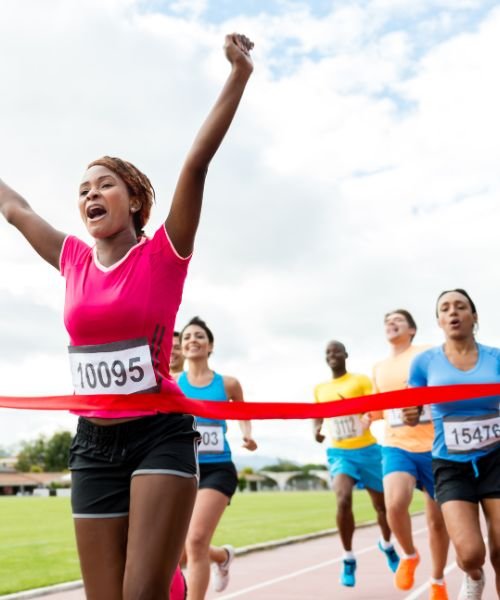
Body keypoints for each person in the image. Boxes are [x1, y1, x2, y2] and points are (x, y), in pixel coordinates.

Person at [0, 33, 254, 599]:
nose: (90, 193)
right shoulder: (71, 258)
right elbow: (16, 210)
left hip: (158, 437)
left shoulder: (163, 254)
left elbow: (196, 164)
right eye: (83, 188)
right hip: (92, 444)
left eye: (104, 184)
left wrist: (238, 74)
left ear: (134, 200)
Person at [405, 289, 500, 600]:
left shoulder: (495, 358)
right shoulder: (424, 363)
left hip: (496, 458)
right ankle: (473, 577)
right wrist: (409, 411)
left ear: (474, 317)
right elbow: (409, 410)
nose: (453, 312)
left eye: (460, 306)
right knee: (472, 554)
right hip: (450, 464)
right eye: (445, 308)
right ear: (439, 321)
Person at [371, 310, 449, 600]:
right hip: (397, 444)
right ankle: (409, 554)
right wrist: (367, 417)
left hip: (435, 447)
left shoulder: (427, 354)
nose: (390, 322)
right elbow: (379, 409)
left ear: (412, 329)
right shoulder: (378, 367)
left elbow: (443, 385)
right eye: (387, 320)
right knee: (394, 503)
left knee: (437, 522)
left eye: (398, 320)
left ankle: (438, 580)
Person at [178, 316, 257, 599]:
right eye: (187, 337)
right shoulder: (175, 384)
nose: (192, 341)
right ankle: (222, 557)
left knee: (196, 540)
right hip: (182, 471)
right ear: (181, 346)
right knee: (179, 549)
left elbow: (243, 413)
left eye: (199, 336)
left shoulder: (228, 384)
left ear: (210, 345)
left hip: (217, 469)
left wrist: (247, 435)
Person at [313, 340, 399, 588]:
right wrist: (317, 430)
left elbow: (373, 408)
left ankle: (387, 544)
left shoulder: (360, 381)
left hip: (368, 451)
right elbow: (316, 415)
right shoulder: (320, 389)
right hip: (340, 453)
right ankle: (348, 558)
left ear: (345, 355)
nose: (332, 355)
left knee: (382, 507)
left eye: (337, 351)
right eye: (328, 352)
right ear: (325, 357)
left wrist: (366, 416)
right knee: (342, 498)